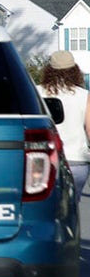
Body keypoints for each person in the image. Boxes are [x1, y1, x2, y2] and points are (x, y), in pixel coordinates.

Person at [38, 50, 90, 197]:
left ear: (49, 70)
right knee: (71, 206)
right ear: (74, 70)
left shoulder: (37, 92)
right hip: (77, 160)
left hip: (45, 158)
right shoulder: (84, 95)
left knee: (46, 205)